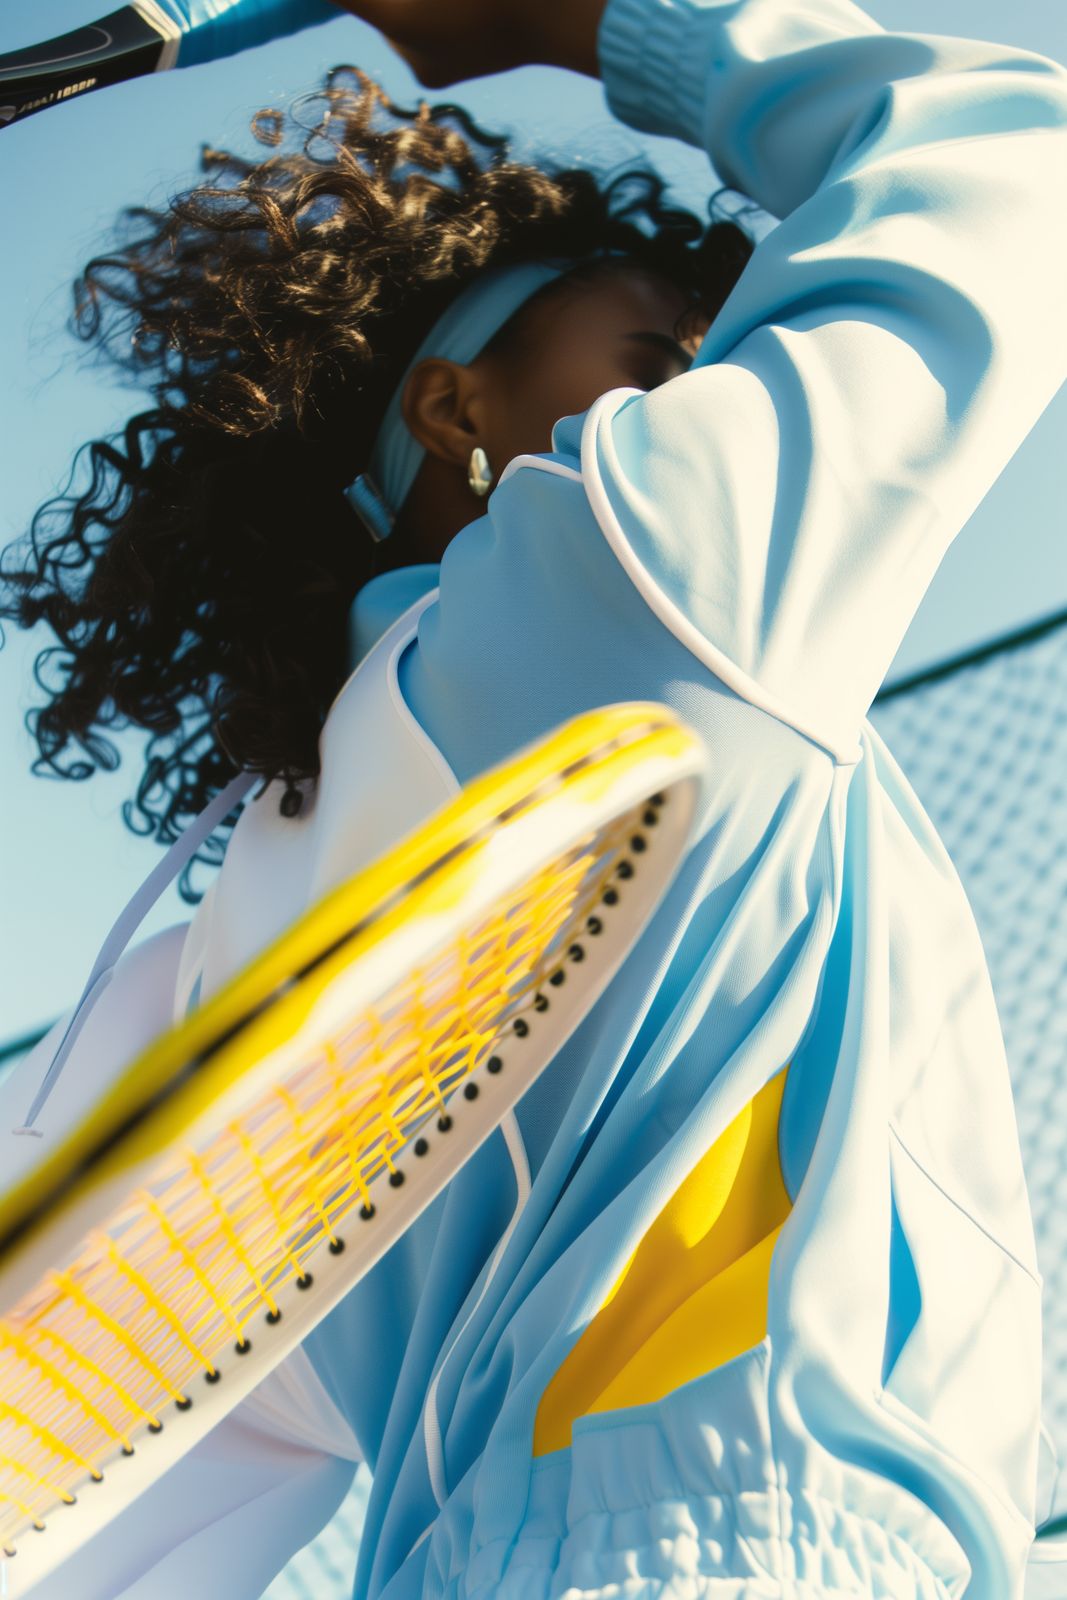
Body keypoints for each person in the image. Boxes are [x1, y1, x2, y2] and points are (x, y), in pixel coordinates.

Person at [2, 0, 1065, 1594]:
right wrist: (600, 19)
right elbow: (1010, 144)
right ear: (454, 412)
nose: (713, 382)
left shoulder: (223, 938)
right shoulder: (635, 569)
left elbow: (112, 1509)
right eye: (663, 355)